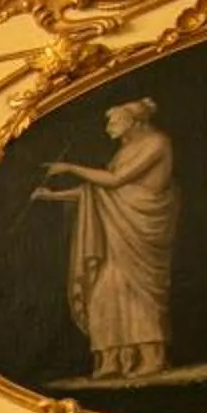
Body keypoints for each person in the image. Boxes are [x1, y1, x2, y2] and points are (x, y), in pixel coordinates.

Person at [33, 98, 176, 379]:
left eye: (114, 121)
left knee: (138, 292)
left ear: (133, 121)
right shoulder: (123, 151)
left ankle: (151, 355)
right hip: (114, 231)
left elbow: (115, 182)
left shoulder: (157, 143)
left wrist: (70, 168)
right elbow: (96, 192)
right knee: (103, 293)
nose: (108, 127)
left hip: (141, 229)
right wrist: (54, 196)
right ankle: (111, 357)